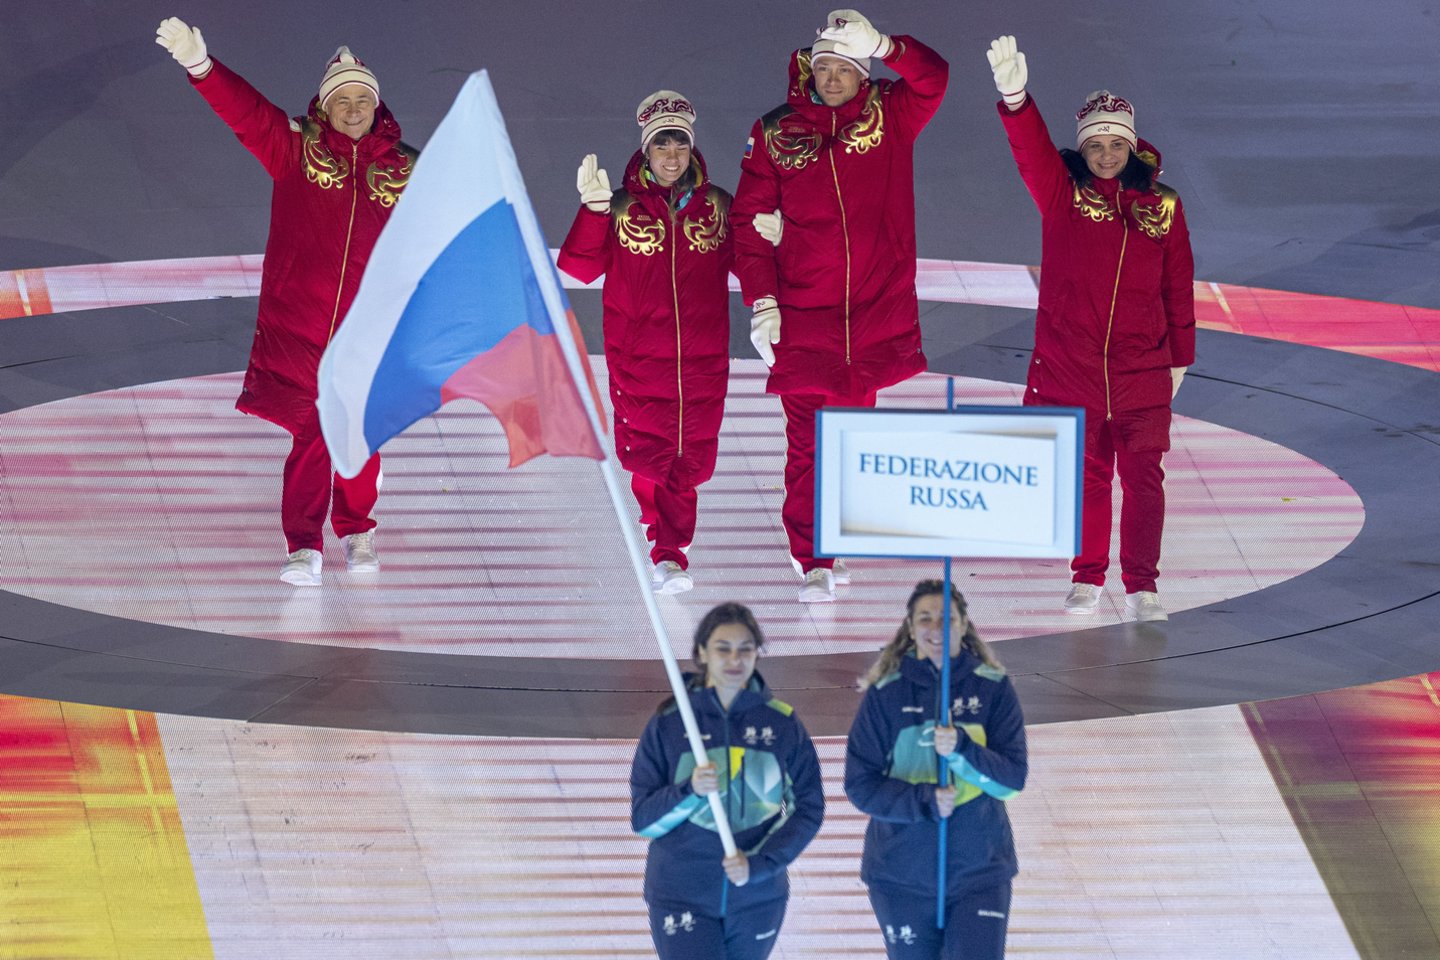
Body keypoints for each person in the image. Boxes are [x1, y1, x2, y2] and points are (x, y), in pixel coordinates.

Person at [156, 18, 415, 585]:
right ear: (325, 105)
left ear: (377, 105)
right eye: (341, 98)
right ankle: (307, 542)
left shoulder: (406, 169)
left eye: (361, 99)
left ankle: (355, 527)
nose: (352, 108)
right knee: (315, 430)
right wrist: (203, 66)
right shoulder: (296, 147)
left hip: (371, 332)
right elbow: (246, 115)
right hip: (298, 325)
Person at [731, 9, 949, 603]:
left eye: (845, 67)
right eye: (823, 67)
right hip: (803, 317)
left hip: (873, 317)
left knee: (849, 437)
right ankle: (813, 559)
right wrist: (763, 302)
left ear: (862, 72)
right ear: (808, 70)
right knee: (807, 442)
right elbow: (747, 229)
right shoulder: (774, 132)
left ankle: (828, 541)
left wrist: (886, 43)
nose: (832, 78)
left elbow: (934, 78)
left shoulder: (891, 115)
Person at [986, 35, 1196, 622]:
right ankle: (1087, 576)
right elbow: (1029, 151)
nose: (1106, 153)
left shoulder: (1165, 207)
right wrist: (1015, 97)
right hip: (1071, 365)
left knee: (1144, 479)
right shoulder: (1063, 195)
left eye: (1116, 143)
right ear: (1083, 147)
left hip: (1142, 368)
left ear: (1132, 146)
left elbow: (1178, 285)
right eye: (1096, 143)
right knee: (1087, 477)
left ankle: (1142, 585)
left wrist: (1180, 358)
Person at [557, 93, 732, 595]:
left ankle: (671, 549)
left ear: (691, 149)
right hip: (639, 357)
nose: (671, 155)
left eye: (679, 144)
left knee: (688, 456)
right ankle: (668, 550)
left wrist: (779, 234)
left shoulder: (718, 206)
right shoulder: (618, 207)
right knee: (651, 456)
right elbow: (578, 267)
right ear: (646, 151)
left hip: (701, 357)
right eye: (662, 144)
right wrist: (592, 211)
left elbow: (755, 262)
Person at [845, 580, 1028, 959]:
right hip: (900, 876)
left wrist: (963, 748)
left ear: (963, 624)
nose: (936, 627)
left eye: (947, 617)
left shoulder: (992, 688)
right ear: (911, 628)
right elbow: (860, 785)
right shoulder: (886, 694)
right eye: (925, 618)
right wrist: (924, 800)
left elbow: (1012, 779)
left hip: (980, 873)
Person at [630, 603, 825, 959]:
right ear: (702, 652)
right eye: (723, 648)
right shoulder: (670, 724)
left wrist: (762, 863)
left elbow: (809, 808)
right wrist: (689, 791)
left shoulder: (781, 724)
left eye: (745, 649)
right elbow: (644, 820)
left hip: (757, 896)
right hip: (681, 893)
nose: (735, 659)